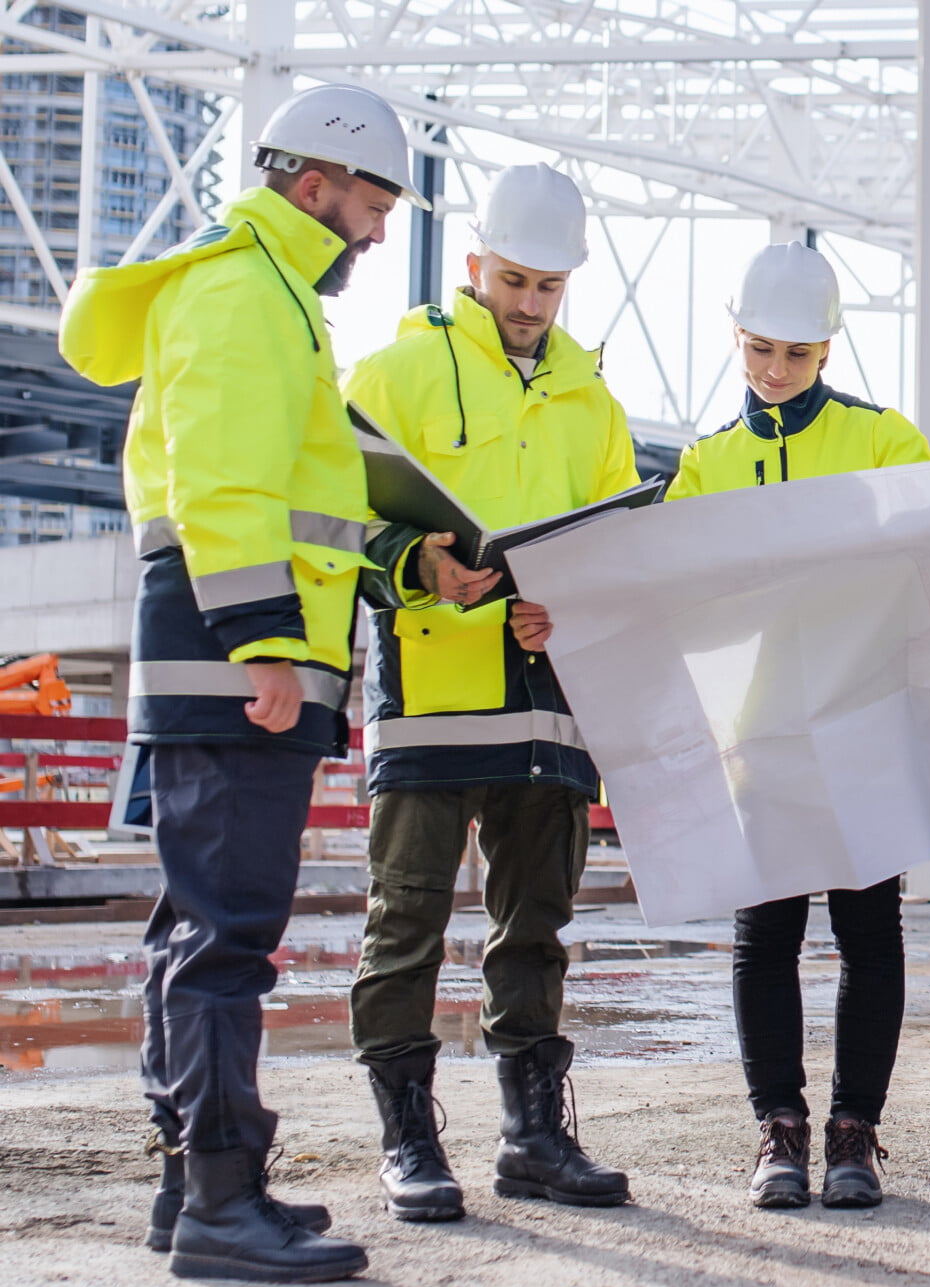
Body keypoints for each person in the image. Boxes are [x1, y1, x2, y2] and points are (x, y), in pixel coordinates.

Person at [58, 83, 423, 1282]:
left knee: (197, 930)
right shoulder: (241, 292)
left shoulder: (263, 294)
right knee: (225, 938)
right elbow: (221, 487)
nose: (374, 233)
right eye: (368, 206)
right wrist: (267, 644)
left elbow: (298, 493)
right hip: (234, 659)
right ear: (312, 184)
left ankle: (193, 1186)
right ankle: (221, 1201)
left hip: (232, 654)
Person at [344, 164, 639, 1221]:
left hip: (547, 699)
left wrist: (575, 603)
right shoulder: (396, 374)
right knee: (406, 918)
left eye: (548, 287)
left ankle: (534, 1137)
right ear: (474, 266)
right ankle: (409, 1140)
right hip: (430, 690)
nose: (527, 304)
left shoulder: (592, 404)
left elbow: (615, 549)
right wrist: (412, 563)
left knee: (535, 928)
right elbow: (334, 517)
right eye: (513, 280)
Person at [664, 242, 930, 1209]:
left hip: (865, 722)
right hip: (763, 732)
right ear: (736, 337)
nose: (776, 371)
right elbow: (673, 594)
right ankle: (778, 1129)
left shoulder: (884, 441)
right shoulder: (706, 463)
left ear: (829, 349)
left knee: (870, 934)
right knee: (765, 935)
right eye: (760, 349)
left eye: (798, 355)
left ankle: (855, 1132)